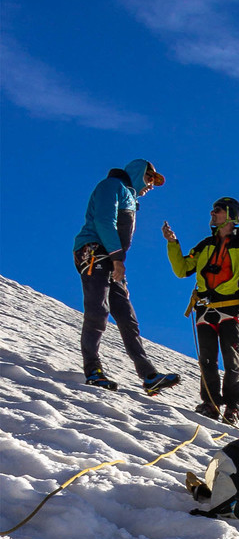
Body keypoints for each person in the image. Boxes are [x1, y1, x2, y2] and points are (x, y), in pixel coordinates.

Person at [72, 157, 181, 396]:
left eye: (153, 181)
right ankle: (93, 370)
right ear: (136, 172)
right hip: (94, 251)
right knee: (98, 310)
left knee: (127, 317)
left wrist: (119, 271)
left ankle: (148, 375)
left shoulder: (129, 197)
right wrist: (116, 258)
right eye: (149, 177)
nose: (150, 185)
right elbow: (103, 220)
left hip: (111, 259)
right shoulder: (112, 186)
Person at [164, 196, 239, 423]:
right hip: (205, 310)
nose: (212, 214)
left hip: (231, 310)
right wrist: (172, 243)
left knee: (231, 360)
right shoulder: (205, 245)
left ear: (230, 215)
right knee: (207, 360)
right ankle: (211, 403)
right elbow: (182, 269)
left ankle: (232, 407)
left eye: (217, 210)